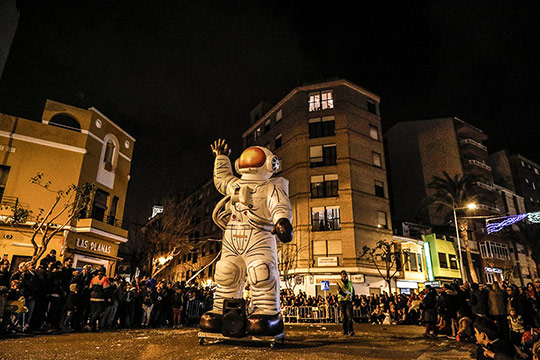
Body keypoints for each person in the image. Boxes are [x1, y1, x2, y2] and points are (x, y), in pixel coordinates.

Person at [199, 139, 293, 337]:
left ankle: (266, 312)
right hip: (233, 236)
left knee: (262, 274)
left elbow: (279, 206)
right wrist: (221, 158)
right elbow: (222, 179)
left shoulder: (271, 187)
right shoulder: (236, 184)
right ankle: (221, 311)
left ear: (271, 164)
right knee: (226, 273)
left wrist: (282, 221)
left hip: (259, 236)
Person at [337, 270, 355, 336]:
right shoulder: (339, 283)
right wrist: (345, 295)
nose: (344, 275)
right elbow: (339, 291)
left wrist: (353, 300)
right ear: (341, 275)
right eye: (342, 274)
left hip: (349, 301)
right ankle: (345, 330)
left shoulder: (350, 283)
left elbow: (353, 291)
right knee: (344, 317)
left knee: (349, 316)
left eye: (345, 274)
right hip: (342, 301)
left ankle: (351, 330)